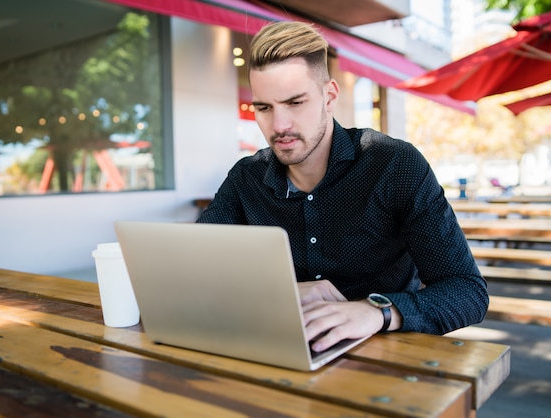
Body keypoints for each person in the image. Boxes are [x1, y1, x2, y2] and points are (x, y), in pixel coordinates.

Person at [197, 21, 488, 353]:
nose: (279, 126)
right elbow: (200, 274)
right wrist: (281, 294)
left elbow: (467, 291)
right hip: (285, 353)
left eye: (295, 103)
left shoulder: (393, 164)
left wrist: (378, 310)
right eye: (264, 107)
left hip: (388, 360)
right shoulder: (246, 178)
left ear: (329, 96)